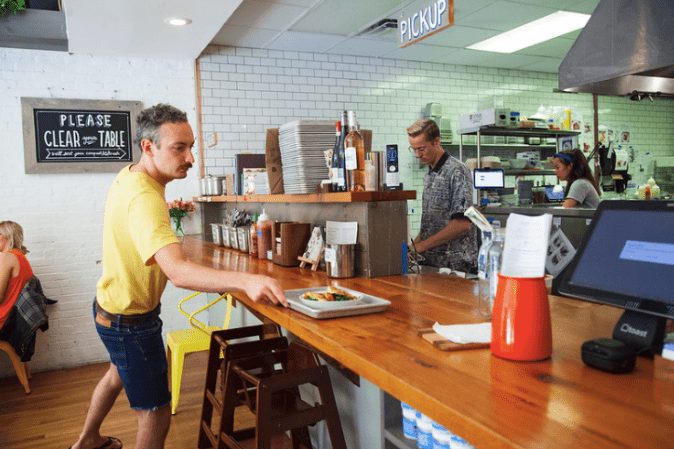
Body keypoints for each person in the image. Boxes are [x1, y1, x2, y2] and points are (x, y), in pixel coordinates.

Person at [70, 104, 287, 449]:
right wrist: (246, 280)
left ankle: (88, 440)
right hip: (130, 320)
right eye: (179, 148)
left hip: (107, 306)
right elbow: (178, 273)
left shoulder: (130, 176)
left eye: (192, 146)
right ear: (148, 146)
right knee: (155, 413)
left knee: (116, 374)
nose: (190, 157)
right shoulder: (145, 197)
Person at [407, 119, 478, 273]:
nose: (418, 155)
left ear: (436, 141)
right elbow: (431, 226)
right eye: (413, 149)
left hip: (457, 267)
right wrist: (412, 247)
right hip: (435, 265)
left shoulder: (457, 171)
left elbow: (462, 224)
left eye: (421, 149)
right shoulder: (430, 174)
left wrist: (420, 247)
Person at [0, 221, 34, 332]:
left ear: (6, 236)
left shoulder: (7, 257)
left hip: (3, 319)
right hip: (14, 319)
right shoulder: (21, 257)